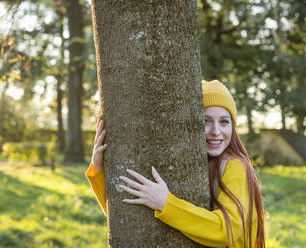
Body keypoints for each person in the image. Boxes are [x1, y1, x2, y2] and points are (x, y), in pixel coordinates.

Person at [86, 80, 266, 248]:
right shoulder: (199, 164)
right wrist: (98, 169)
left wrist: (167, 204)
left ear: (233, 127)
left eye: (224, 122)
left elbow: (227, 230)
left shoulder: (234, 166)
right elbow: (129, 217)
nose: (216, 131)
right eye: (206, 121)